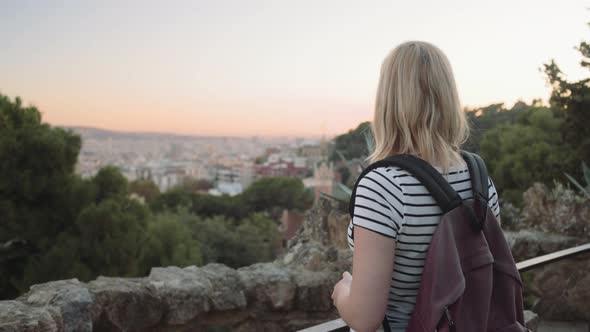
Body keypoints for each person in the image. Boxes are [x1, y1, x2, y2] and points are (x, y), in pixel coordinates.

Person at [330, 41, 501, 332]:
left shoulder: (383, 185)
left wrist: (342, 291)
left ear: (388, 101)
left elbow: (364, 317)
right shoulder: (478, 175)